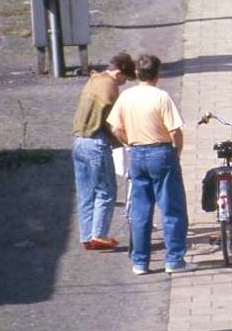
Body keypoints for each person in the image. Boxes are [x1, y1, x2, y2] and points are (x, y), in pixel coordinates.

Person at [107, 54, 196, 275]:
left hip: (137, 153)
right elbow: (175, 130)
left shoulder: (126, 97)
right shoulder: (161, 97)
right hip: (161, 151)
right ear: (158, 74)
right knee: (171, 208)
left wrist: (128, 142)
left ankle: (140, 262)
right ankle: (174, 259)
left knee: (140, 210)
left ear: (137, 74)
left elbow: (115, 128)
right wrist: (177, 151)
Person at [72, 51, 136, 250]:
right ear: (119, 73)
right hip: (96, 144)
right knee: (106, 191)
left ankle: (87, 236)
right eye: (125, 79)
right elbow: (112, 123)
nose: (124, 83)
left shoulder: (94, 80)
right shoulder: (110, 86)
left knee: (85, 193)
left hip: (78, 141)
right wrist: (126, 142)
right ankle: (99, 235)